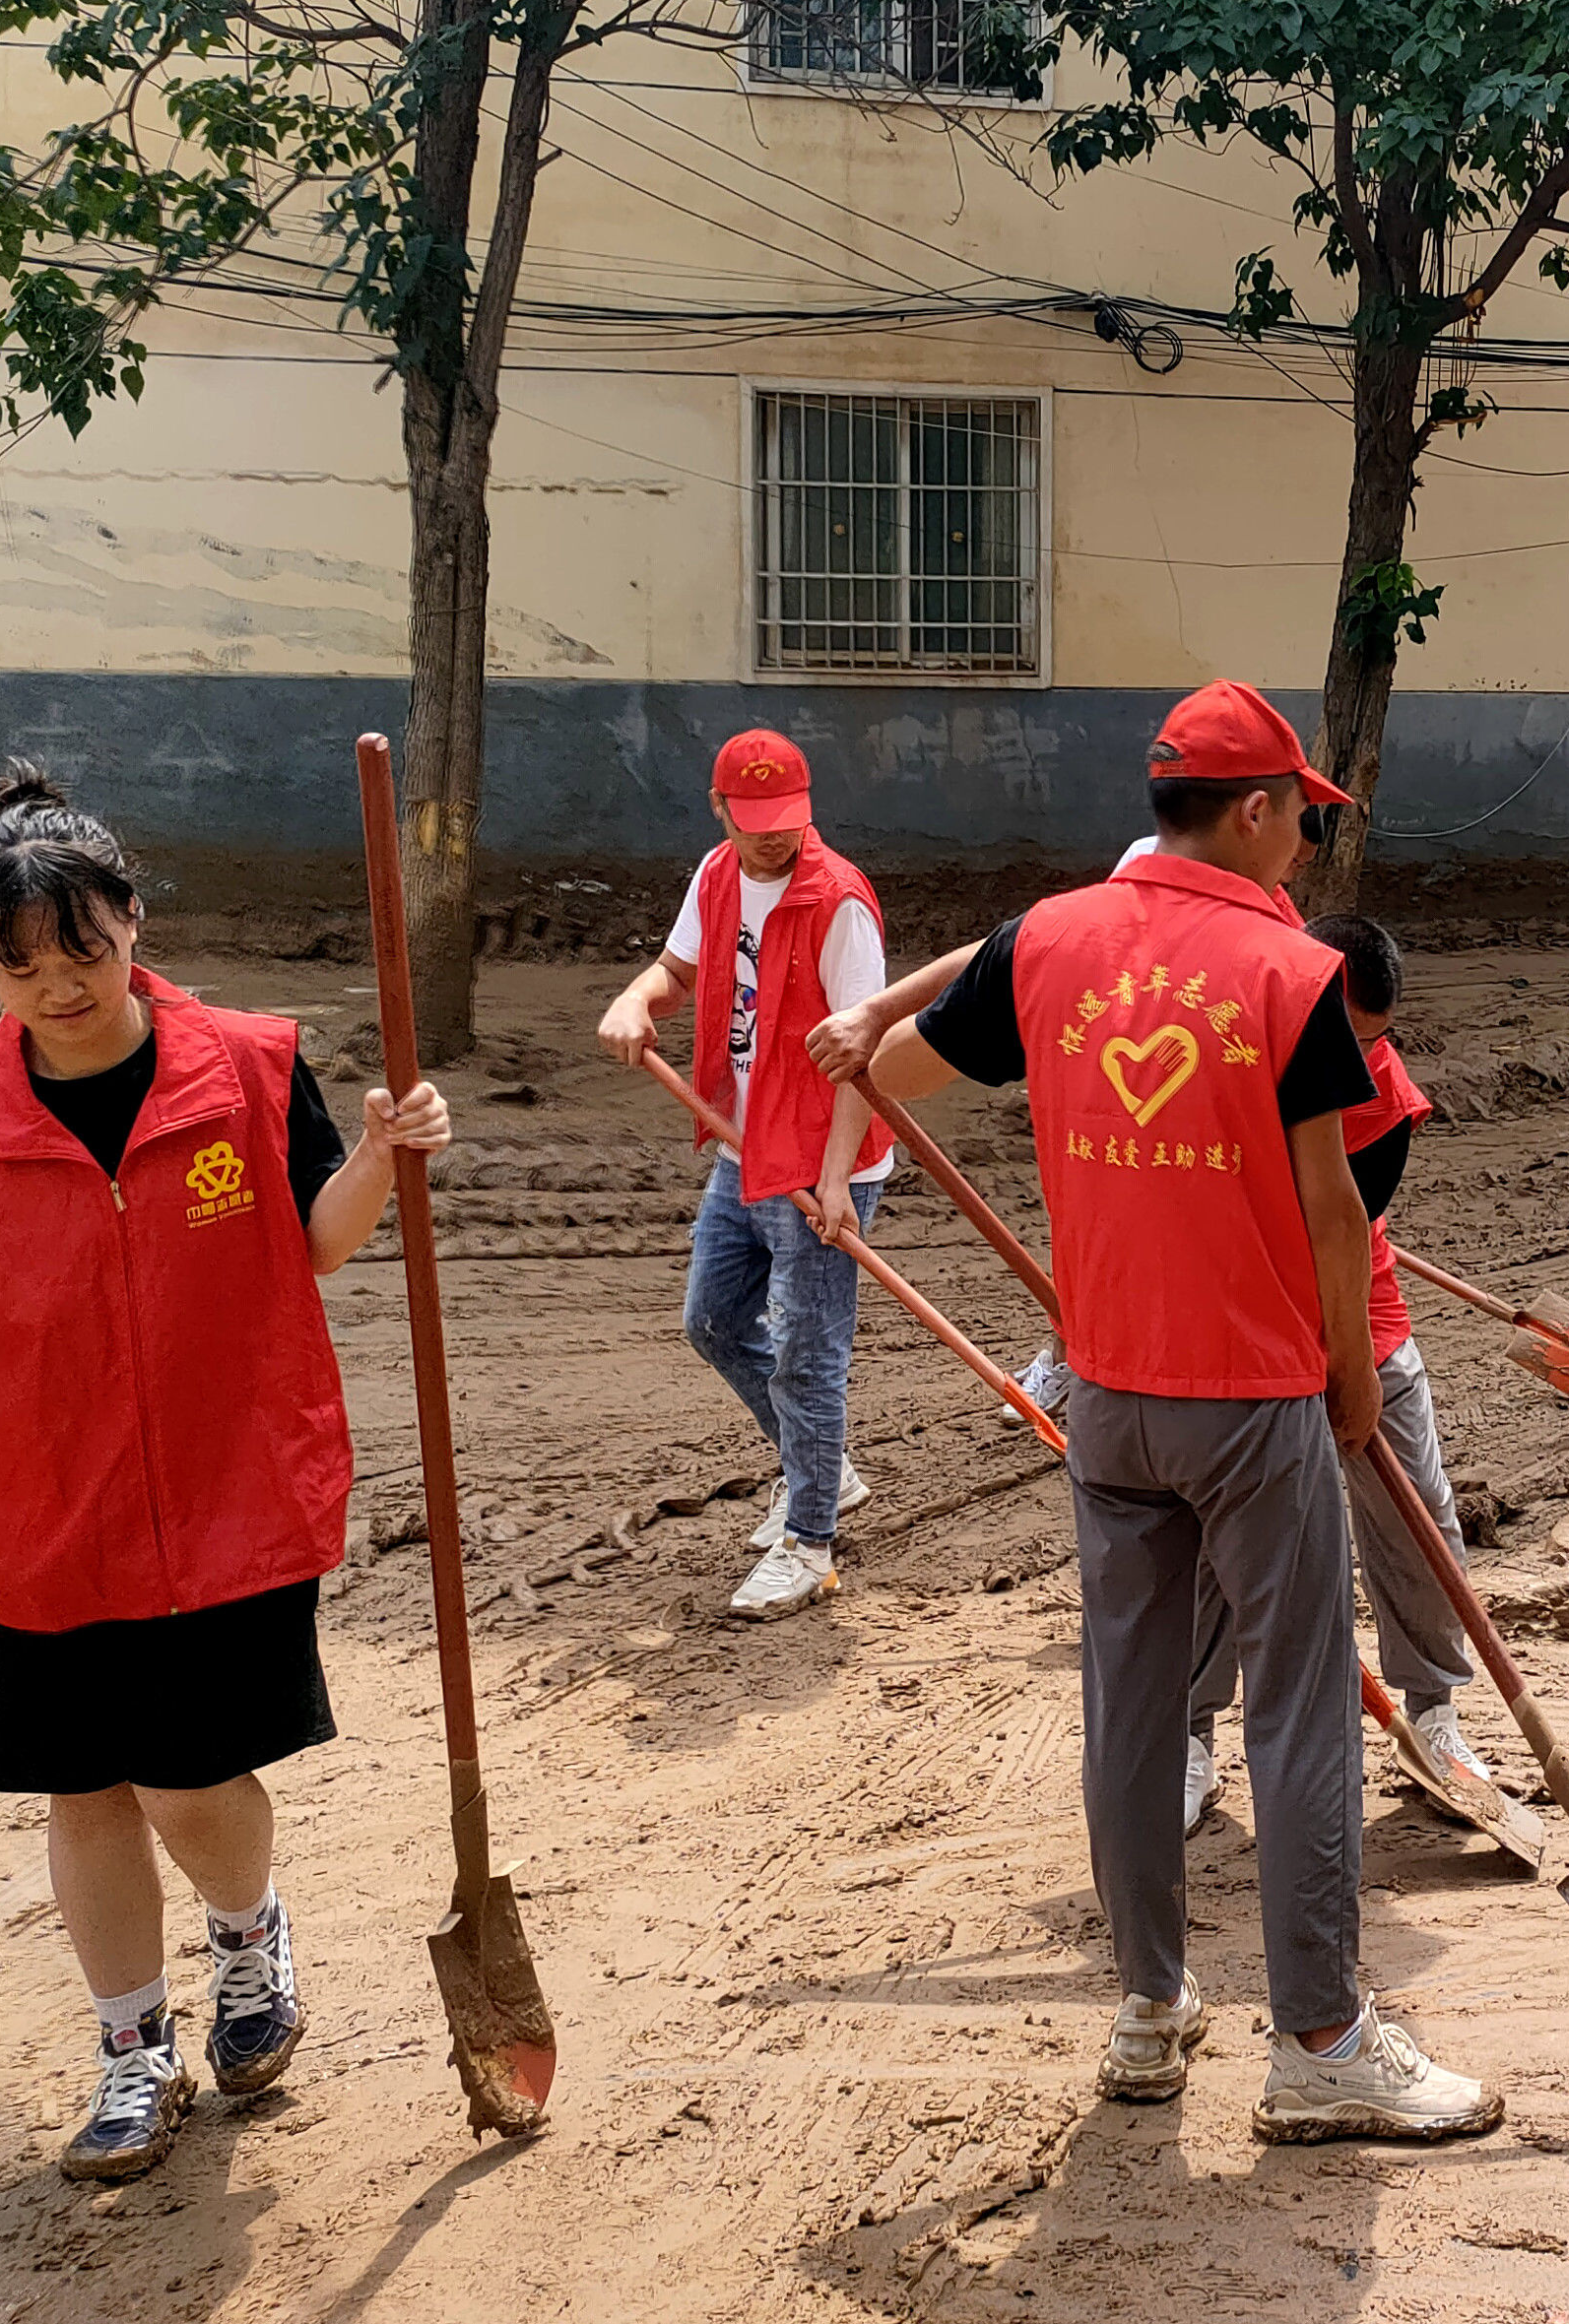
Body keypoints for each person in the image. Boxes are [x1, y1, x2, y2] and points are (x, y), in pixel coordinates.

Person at [0, 765, 449, 2183]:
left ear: (131, 923)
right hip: (48, 1502)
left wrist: (376, 1151)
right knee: (86, 1789)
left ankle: (249, 1940)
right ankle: (133, 2050)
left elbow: (314, 1239)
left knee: (187, 1779)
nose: (56, 982)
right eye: (17, 961)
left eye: (83, 947)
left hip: (231, 1488)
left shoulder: (245, 1062)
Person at [831, 681, 1498, 2145]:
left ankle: (1149, 2004)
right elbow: (1334, 1203)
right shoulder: (1288, 971)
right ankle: (1320, 2035)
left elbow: (887, 1078)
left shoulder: (1049, 939)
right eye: (1302, 821)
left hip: (1110, 1392)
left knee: (1133, 1707)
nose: (1307, 851)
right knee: (1302, 1701)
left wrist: (885, 1072)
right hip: (1253, 1395)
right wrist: (1343, 1375)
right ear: (1254, 813)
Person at [1181, 914, 1499, 1837]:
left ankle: (1434, 1714)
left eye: (1373, 1038)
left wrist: (1351, 1372)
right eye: (1347, 1035)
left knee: (1416, 1515)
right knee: (1209, 1535)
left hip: (1358, 1322)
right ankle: (1189, 1738)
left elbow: (1341, 1245)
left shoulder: (1384, 1100)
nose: (1362, 1056)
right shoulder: (1219, 1048)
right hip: (1234, 1331)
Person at [597, 731, 893, 1623]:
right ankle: (823, 1470)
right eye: (756, 822)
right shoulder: (717, 875)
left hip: (819, 1155)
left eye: (788, 821)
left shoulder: (840, 902)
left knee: (810, 1349)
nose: (775, 838)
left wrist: (839, 1179)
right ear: (720, 810)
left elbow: (862, 1049)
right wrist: (634, 997)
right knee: (715, 1319)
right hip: (744, 1141)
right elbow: (679, 970)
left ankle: (809, 1540)